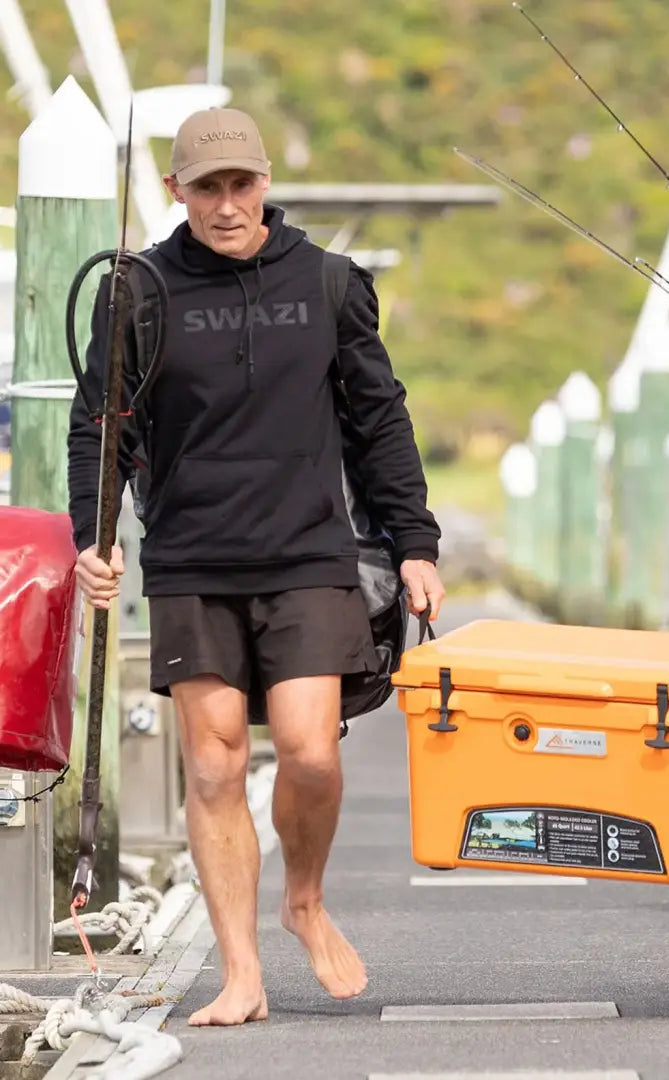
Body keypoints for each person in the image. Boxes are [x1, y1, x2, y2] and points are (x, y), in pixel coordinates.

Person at [67, 107, 445, 1026]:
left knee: (312, 752)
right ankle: (241, 974)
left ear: (266, 183)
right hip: (192, 555)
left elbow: (378, 420)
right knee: (213, 765)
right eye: (208, 189)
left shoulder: (329, 283)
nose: (227, 205)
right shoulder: (141, 291)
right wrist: (95, 535)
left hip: (311, 549)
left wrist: (415, 541)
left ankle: (304, 897)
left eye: (241, 185)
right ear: (177, 193)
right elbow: (99, 425)